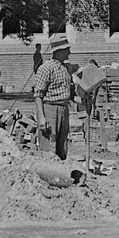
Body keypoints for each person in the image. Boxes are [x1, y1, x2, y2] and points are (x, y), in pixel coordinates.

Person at [32, 32, 74, 160]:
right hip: (50, 109)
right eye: (67, 50)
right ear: (59, 51)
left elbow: (69, 94)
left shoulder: (65, 69)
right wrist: (41, 118)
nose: (69, 53)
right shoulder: (46, 68)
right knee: (49, 149)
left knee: (62, 148)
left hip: (63, 109)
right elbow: (38, 95)